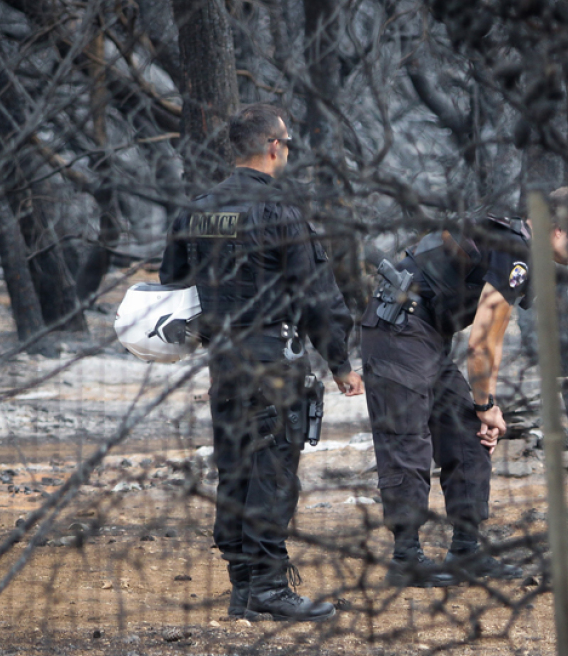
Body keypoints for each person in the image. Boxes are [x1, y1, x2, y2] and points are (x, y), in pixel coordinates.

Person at [159, 104, 364, 621]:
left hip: (223, 360)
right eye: (288, 144)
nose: (288, 152)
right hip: (274, 357)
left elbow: (171, 278)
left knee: (235, 467)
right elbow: (318, 296)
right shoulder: (281, 211)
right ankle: (269, 588)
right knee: (273, 470)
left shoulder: (198, 209)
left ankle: (243, 587)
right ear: (274, 146)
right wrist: (340, 363)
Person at [361, 188, 568, 587]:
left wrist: (481, 408)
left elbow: (491, 338)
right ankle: (407, 557)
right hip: (398, 329)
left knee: (467, 430)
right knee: (407, 438)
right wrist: (486, 403)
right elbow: (483, 341)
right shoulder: (516, 250)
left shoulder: (516, 247)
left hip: (425, 334)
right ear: (556, 230)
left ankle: (465, 550)